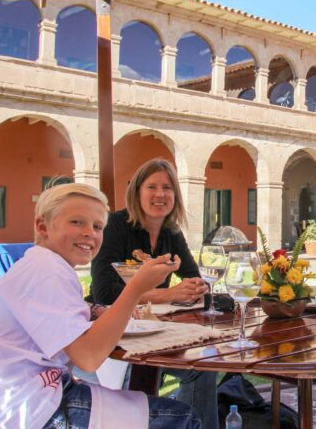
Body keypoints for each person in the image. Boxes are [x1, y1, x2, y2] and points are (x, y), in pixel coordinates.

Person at [0, 183, 201, 429]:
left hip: (21, 399)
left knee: (156, 407)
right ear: (43, 227)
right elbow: (89, 357)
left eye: (98, 226)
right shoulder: (46, 271)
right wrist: (136, 288)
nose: (90, 232)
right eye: (77, 222)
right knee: (183, 418)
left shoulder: (43, 265)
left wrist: (95, 310)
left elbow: (58, 310)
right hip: (31, 409)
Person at [90, 158, 218, 429]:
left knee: (203, 366)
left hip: (156, 331)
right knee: (141, 375)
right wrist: (169, 294)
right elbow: (103, 292)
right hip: (114, 334)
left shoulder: (171, 233)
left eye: (168, 188)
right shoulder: (114, 226)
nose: (160, 194)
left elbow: (195, 282)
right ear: (137, 191)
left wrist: (196, 289)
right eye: (152, 187)